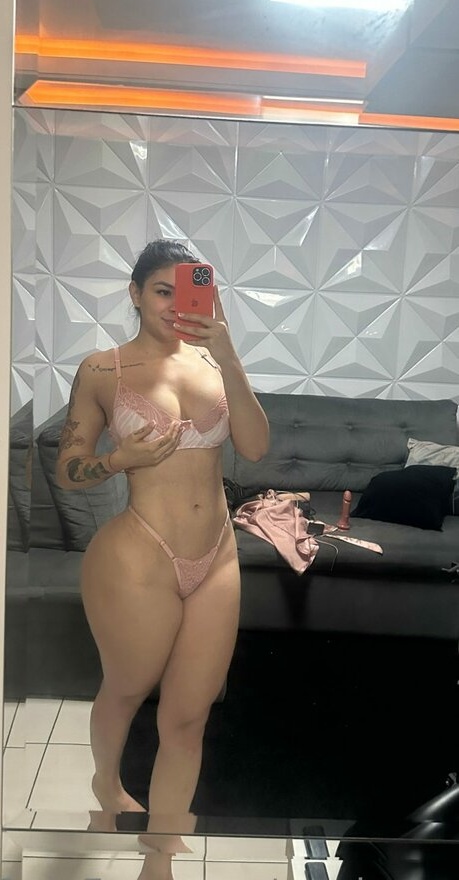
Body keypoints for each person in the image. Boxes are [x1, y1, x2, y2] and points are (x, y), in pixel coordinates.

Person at [55, 239, 270, 823]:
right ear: (134, 294)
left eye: (189, 292)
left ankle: (162, 854)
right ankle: (106, 783)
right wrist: (117, 460)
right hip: (140, 556)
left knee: (188, 717)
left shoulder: (213, 362)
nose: (176, 305)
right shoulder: (103, 369)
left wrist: (229, 354)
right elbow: (68, 470)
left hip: (216, 556)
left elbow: (254, 448)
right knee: (126, 689)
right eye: (161, 291)